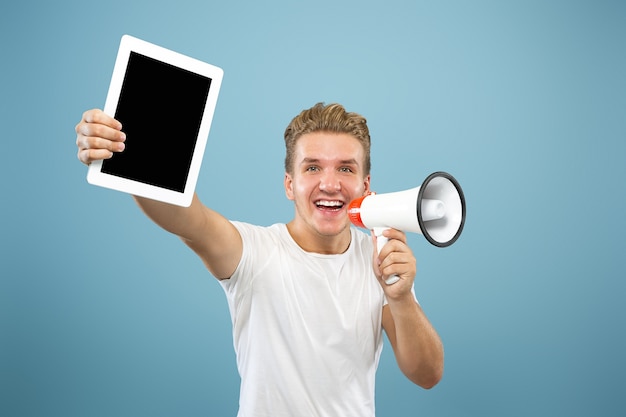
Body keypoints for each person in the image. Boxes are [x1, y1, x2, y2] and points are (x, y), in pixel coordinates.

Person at [75, 102, 444, 416]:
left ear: (365, 186)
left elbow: (427, 373)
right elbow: (188, 219)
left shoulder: (379, 261)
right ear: (289, 184)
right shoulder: (254, 252)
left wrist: (400, 299)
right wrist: (121, 153)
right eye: (312, 167)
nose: (330, 184)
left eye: (345, 168)